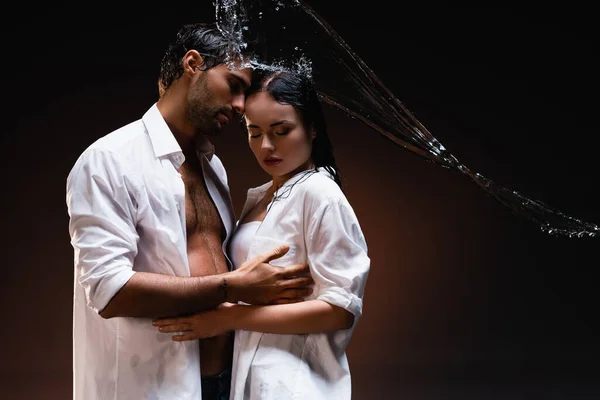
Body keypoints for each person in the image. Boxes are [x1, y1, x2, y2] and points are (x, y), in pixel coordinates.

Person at [66, 23, 314, 400]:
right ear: (193, 64)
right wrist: (235, 285)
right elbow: (108, 290)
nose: (240, 105)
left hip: (221, 383)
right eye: (233, 86)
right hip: (149, 386)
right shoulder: (110, 160)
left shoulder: (212, 166)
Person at [153, 70, 371, 400]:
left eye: (281, 131)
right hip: (249, 376)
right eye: (254, 133)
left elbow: (340, 310)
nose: (266, 146)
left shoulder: (320, 194)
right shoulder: (261, 195)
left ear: (311, 128)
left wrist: (230, 318)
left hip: (296, 382)